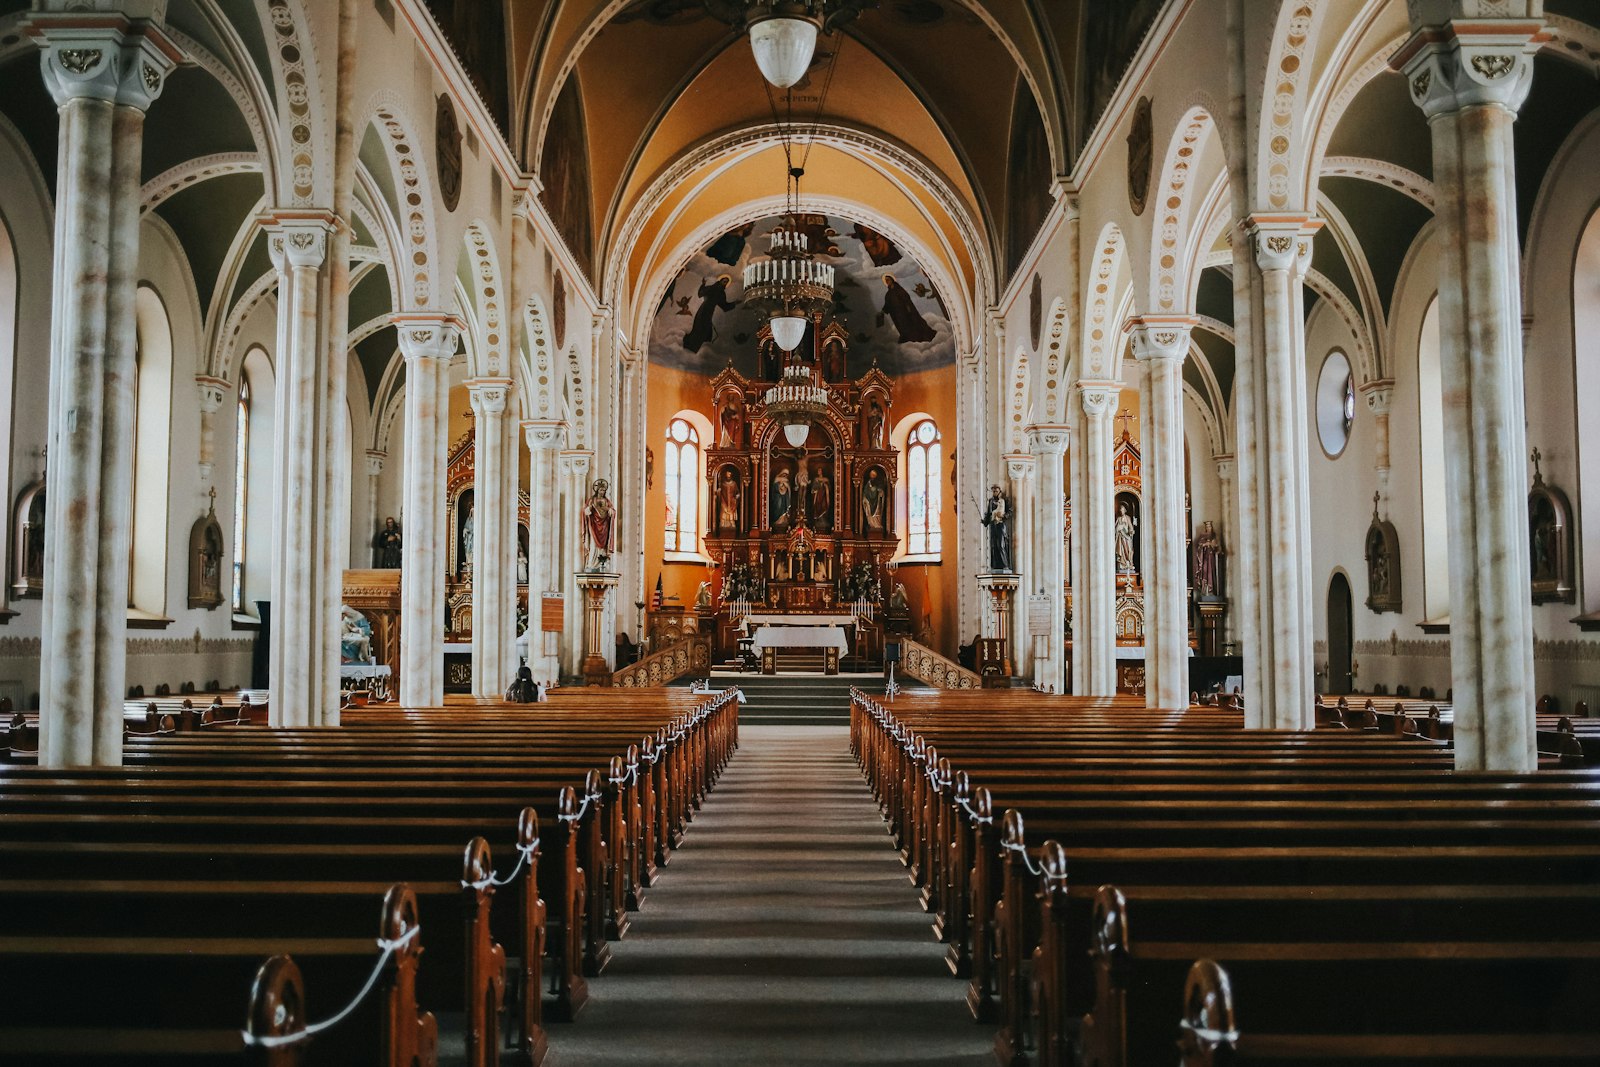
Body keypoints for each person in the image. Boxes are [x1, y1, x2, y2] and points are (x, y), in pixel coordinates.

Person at [877, 273, 936, 343]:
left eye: (888, 280)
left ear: (892, 280)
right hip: (897, 315)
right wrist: (882, 311)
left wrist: (908, 308)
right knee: (903, 327)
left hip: (905, 311)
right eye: (886, 280)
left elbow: (906, 298)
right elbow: (887, 305)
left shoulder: (899, 289)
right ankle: (908, 337)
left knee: (912, 323)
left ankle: (920, 336)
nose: (887, 281)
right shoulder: (888, 294)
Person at [582, 479, 617, 571]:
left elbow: (613, 512)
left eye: (604, 490)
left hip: (604, 526)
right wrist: (590, 507)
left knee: (603, 547)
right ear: (597, 490)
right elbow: (586, 512)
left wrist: (608, 510)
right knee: (593, 545)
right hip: (593, 526)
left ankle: (602, 563)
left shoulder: (606, 501)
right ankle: (592, 564)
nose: (602, 492)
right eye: (601, 490)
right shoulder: (592, 500)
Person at [981, 484, 1012, 572]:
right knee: (993, 545)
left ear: (999, 492)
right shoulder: (990, 501)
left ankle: (1005, 564)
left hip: (1000, 524)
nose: (995, 493)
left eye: (996, 491)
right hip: (993, 525)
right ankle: (995, 566)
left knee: (1001, 545)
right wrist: (985, 521)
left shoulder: (1004, 501)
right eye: (993, 491)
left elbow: (1010, 511)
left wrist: (1004, 516)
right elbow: (989, 513)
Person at [1193, 519, 1222, 597]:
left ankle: (1211, 589)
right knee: (1205, 572)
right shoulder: (1202, 536)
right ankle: (1205, 589)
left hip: (1211, 557)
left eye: (1209, 526)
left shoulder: (1214, 536)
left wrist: (1212, 545)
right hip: (1205, 557)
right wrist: (1205, 544)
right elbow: (1199, 546)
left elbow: (1218, 546)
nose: (1208, 528)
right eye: (1207, 527)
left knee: (1211, 573)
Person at [860, 467, 887, 534]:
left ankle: (877, 525)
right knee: (869, 514)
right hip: (869, 502)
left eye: (874, 474)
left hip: (877, 503)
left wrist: (880, 492)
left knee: (877, 514)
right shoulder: (868, 483)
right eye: (872, 474)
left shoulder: (879, 482)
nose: (873, 476)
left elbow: (881, 490)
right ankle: (871, 524)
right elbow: (865, 492)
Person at [1115, 502, 1138, 574]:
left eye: (1122, 510)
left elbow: (1130, 527)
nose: (1121, 511)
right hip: (1120, 537)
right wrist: (1118, 529)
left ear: (1125, 510)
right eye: (1120, 510)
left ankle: (1129, 563)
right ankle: (1123, 564)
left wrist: (1131, 531)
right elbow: (1116, 529)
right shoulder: (1118, 519)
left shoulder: (1128, 518)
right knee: (1121, 550)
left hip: (1127, 537)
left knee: (1129, 550)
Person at [808, 464, 832, 531]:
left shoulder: (826, 479)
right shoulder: (816, 479)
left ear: (822, 471)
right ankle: (818, 519)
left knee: (824, 506)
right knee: (817, 507)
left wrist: (825, 486)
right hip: (817, 496)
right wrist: (816, 489)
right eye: (818, 470)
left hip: (824, 496)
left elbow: (830, 489)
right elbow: (813, 489)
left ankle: (824, 519)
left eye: (820, 470)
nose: (819, 472)